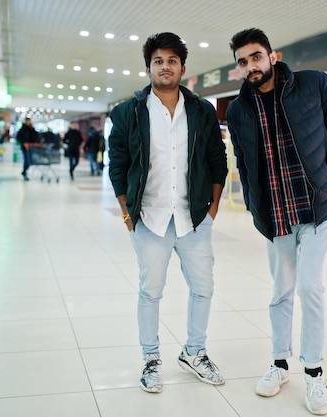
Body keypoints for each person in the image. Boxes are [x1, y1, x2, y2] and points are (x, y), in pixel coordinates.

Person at [226, 28, 327, 415]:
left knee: (310, 288)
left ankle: (314, 372)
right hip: (276, 214)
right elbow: (244, 163)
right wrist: (253, 204)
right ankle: (280, 364)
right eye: (243, 61)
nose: (251, 66)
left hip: (315, 209)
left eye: (256, 57)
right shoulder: (238, 110)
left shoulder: (314, 85)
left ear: (272, 56)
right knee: (280, 292)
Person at [108, 32, 228, 394]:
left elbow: (216, 160)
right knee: (151, 291)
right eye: (158, 61)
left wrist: (213, 209)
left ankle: (195, 351)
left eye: (172, 61)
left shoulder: (202, 111)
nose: (165, 66)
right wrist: (128, 214)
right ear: (148, 68)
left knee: (203, 288)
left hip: (194, 219)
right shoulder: (128, 112)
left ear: (183, 68)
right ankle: (150, 358)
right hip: (150, 218)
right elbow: (118, 164)